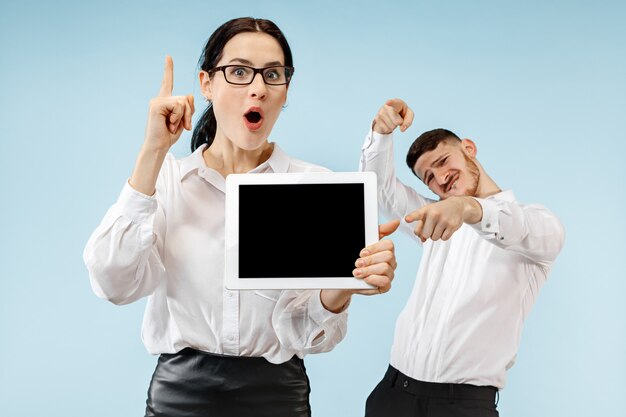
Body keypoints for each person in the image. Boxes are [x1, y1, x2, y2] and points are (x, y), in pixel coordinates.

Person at [83, 17, 399, 417]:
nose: (258, 88)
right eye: (238, 71)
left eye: (273, 75)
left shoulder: (315, 185)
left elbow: (308, 335)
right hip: (179, 399)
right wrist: (153, 151)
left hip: (278, 398)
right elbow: (113, 282)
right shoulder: (165, 182)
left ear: (285, 91)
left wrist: (346, 283)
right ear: (207, 84)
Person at [360, 98, 565, 417]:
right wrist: (381, 134)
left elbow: (531, 229)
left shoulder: (533, 225)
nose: (440, 178)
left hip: (461, 406)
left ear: (469, 148)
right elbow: (378, 190)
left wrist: (469, 208)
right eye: (428, 177)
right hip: (392, 393)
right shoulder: (435, 221)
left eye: (442, 161)